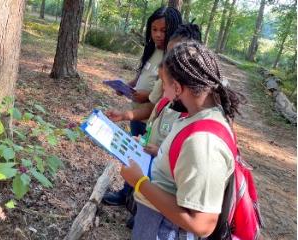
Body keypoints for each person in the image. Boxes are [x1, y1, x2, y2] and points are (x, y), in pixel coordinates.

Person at [120, 41, 244, 239]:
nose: (163, 94)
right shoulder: (200, 115)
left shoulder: (204, 144)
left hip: (166, 230)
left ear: (177, 87)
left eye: (163, 84)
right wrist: (160, 153)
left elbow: (201, 224)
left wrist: (139, 182)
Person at [103, 23, 202, 228]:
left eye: (178, 55)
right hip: (152, 171)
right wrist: (126, 116)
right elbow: (155, 107)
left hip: (168, 203)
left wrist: (162, 151)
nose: (171, 61)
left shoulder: (197, 118)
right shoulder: (169, 87)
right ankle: (137, 209)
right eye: (170, 53)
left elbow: (199, 220)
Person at [102, 5, 182, 209]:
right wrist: (128, 86)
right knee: (134, 156)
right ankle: (126, 195)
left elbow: (162, 93)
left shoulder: (173, 57)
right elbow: (143, 74)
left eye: (163, 30)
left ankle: (139, 205)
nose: (158, 34)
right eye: (154, 29)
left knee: (149, 163)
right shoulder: (152, 49)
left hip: (152, 118)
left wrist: (144, 96)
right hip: (136, 112)